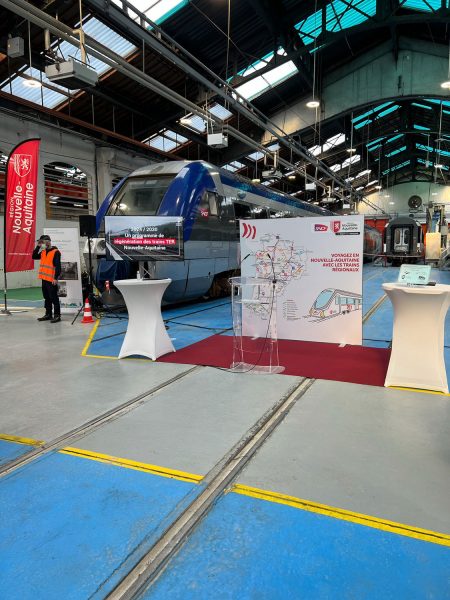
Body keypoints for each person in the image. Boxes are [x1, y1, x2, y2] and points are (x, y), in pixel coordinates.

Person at [32, 235, 62, 323]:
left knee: (54, 298)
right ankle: (48, 314)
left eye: (42, 242)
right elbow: (34, 256)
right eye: (40, 242)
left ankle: (57, 315)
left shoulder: (55, 252)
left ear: (48, 241)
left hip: (51, 279)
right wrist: (38, 246)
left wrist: (55, 278)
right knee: (46, 297)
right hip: (44, 279)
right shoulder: (43, 252)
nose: (41, 243)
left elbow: (58, 266)